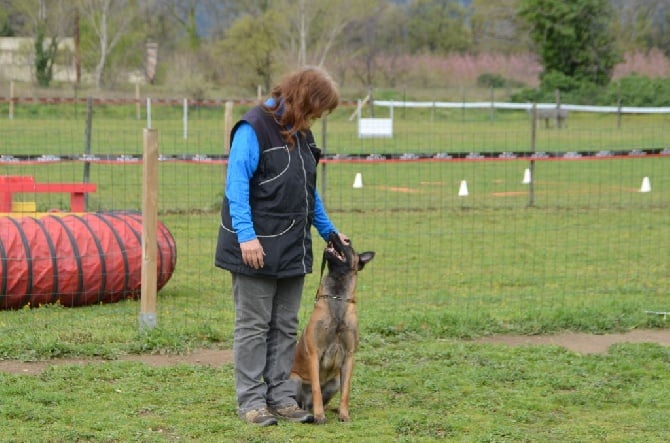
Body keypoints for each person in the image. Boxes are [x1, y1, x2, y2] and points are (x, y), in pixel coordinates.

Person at [215, 66, 349, 427]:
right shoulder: (253, 126)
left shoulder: (300, 132)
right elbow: (236, 185)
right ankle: (251, 401)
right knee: (254, 326)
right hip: (254, 246)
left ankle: (281, 397)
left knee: (286, 325)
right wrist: (245, 235)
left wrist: (330, 233)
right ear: (305, 99)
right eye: (318, 110)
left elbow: (307, 191)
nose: (318, 118)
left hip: (292, 244)